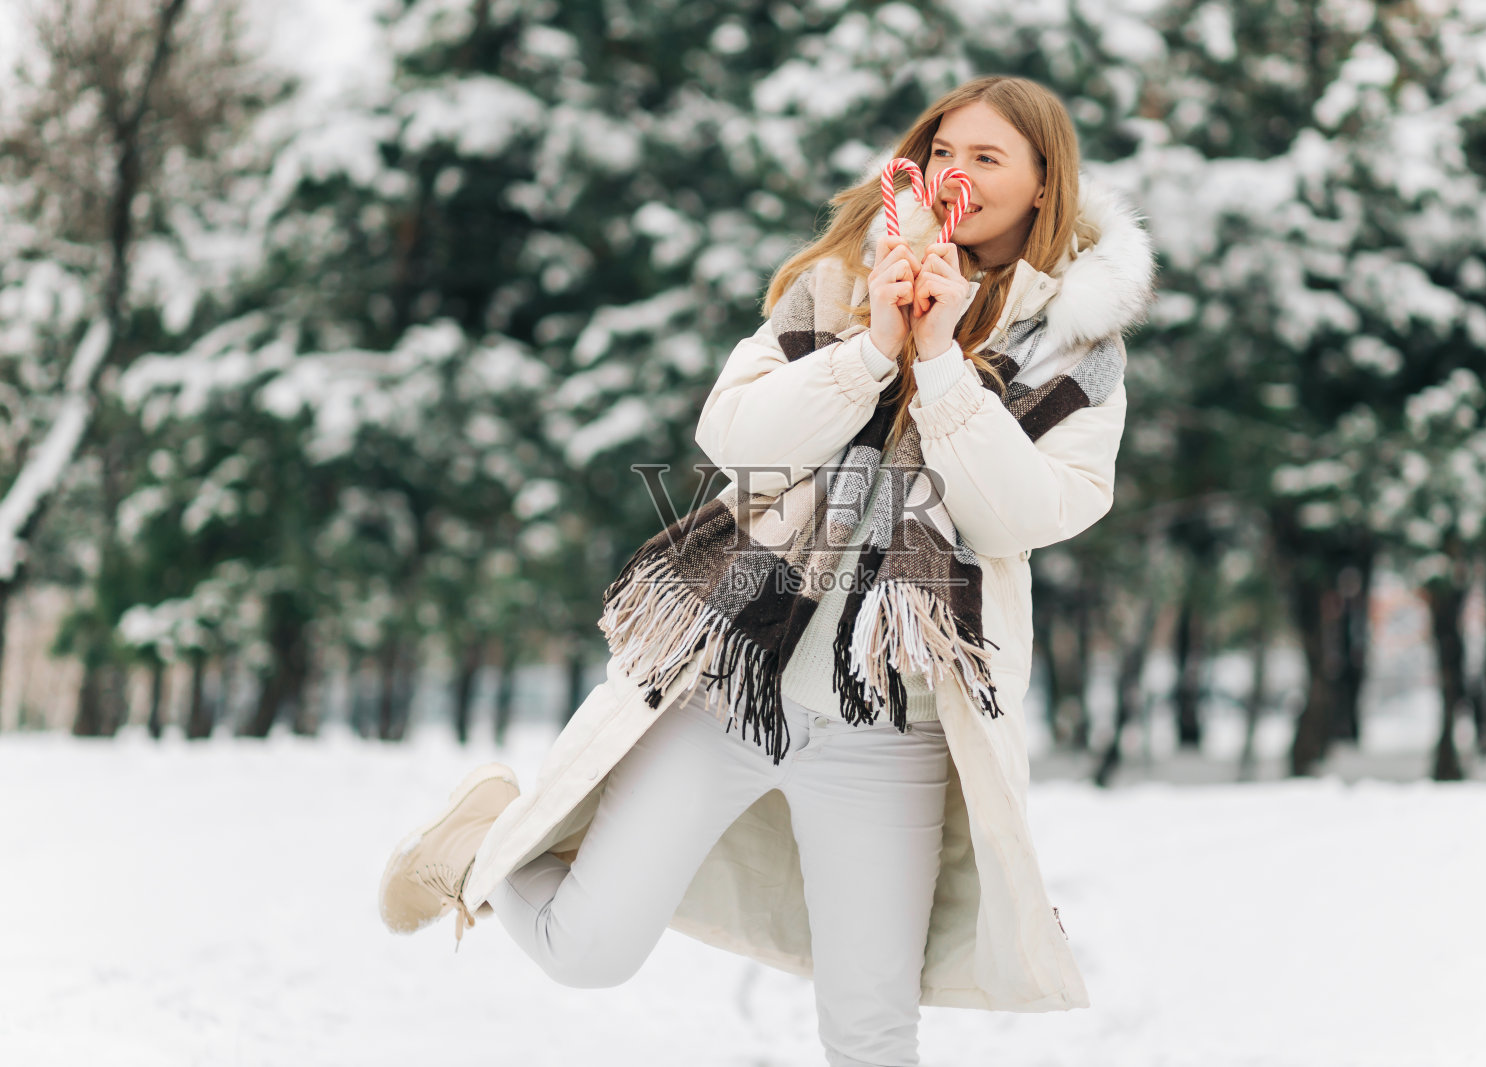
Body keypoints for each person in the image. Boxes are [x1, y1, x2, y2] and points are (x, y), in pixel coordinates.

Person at [378, 75, 1156, 1066]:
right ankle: (480, 841)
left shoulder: (1077, 349)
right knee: (586, 951)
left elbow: (1018, 517)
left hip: (895, 720)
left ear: (1046, 185)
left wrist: (945, 360)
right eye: (943, 153)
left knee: (871, 1027)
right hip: (738, 675)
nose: (957, 174)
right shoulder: (837, 285)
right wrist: (878, 343)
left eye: (988, 159)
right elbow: (737, 440)